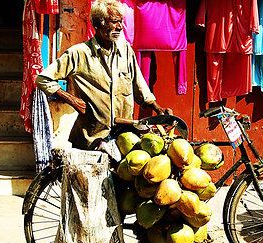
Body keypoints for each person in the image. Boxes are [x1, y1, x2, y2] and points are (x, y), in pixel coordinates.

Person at [36, 0, 172, 150]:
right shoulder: (80, 53)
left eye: (121, 22)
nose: (120, 27)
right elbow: (43, 79)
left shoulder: (125, 50)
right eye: (114, 22)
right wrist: (72, 100)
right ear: (96, 24)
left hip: (124, 139)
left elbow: (139, 85)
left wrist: (157, 108)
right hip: (91, 139)